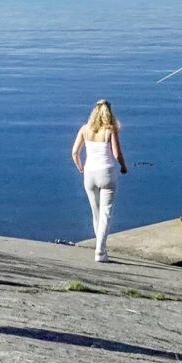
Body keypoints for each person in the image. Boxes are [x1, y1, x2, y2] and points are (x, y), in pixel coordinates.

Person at [69, 101, 127, 262]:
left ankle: (100, 248)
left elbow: (74, 153)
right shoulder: (110, 130)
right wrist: (123, 166)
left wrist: (81, 168)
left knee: (96, 213)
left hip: (89, 174)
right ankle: (100, 251)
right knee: (106, 213)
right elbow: (117, 154)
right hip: (106, 173)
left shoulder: (84, 129)